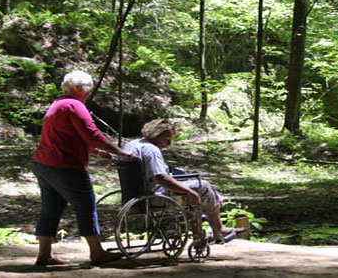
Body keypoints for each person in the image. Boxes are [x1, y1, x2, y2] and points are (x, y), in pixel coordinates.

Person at [31, 70, 135, 266]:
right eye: (88, 88)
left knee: (50, 209)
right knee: (86, 205)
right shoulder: (74, 105)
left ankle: (44, 255)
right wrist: (121, 152)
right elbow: (92, 135)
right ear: (78, 88)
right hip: (64, 166)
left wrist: (96, 152)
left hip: (43, 163)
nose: (89, 93)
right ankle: (97, 252)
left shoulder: (58, 104)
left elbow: (69, 135)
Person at [122, 119, 242, 243]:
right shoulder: (150, 150)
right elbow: (160, 178)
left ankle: (199, 234)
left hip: (137, 193)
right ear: (156, 135)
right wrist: (189, 191)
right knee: (203, 186)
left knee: (188, 181)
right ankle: (219, 229)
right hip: (156, 196)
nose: (169, 143)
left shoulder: (133, 144)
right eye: (167, 139)